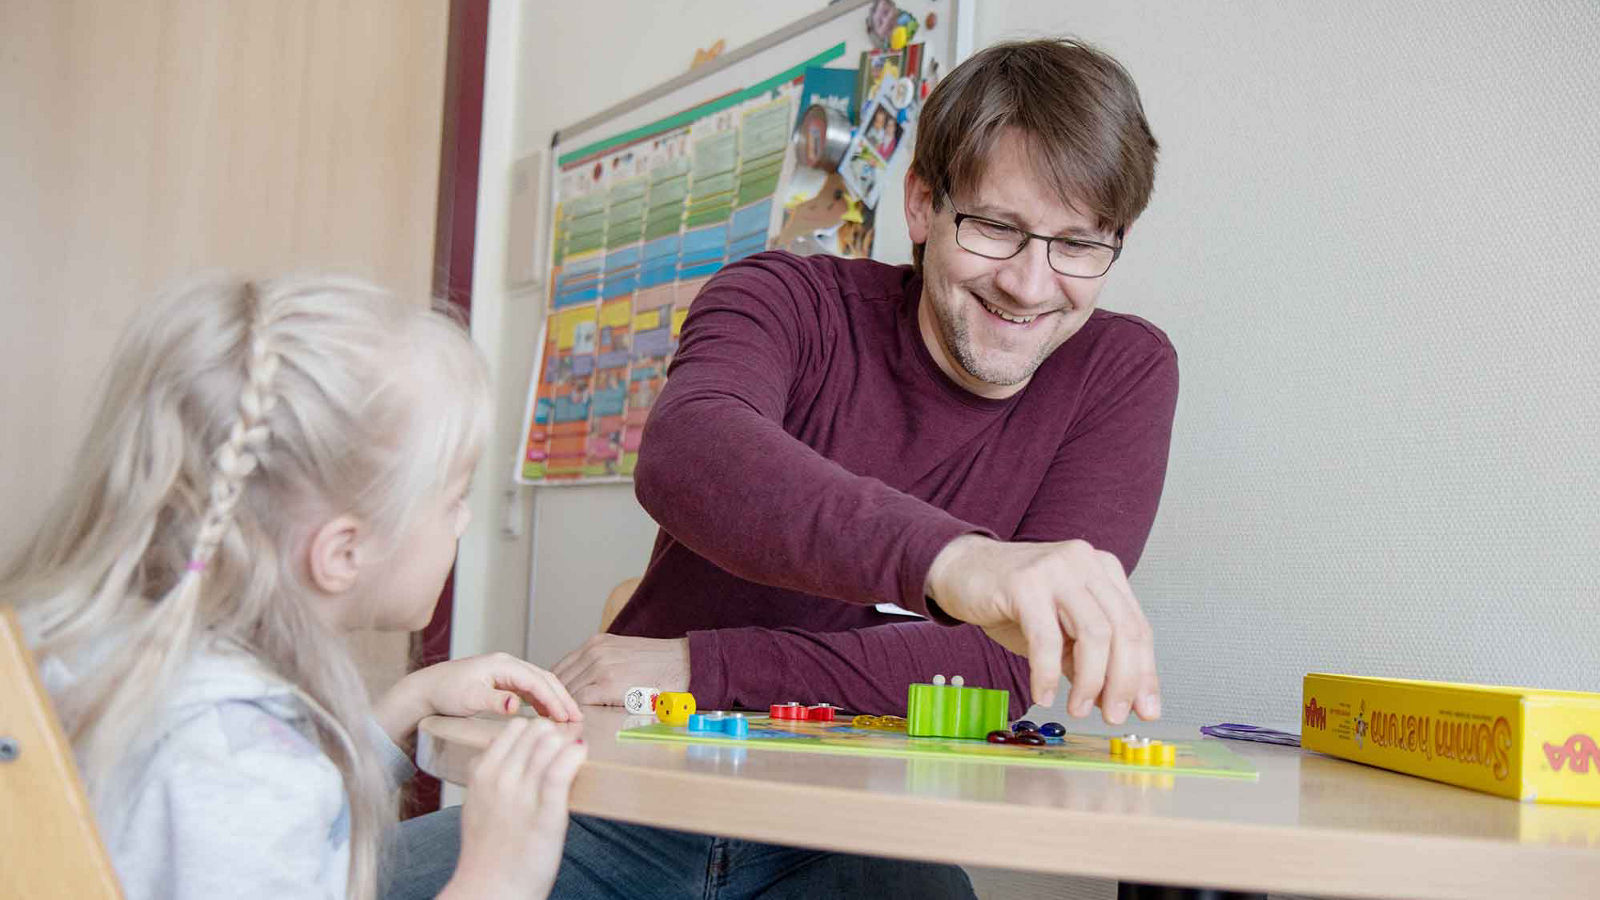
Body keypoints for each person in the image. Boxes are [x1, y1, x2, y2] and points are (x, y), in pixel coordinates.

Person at [550, 37, 1174, 898]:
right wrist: (962, 564)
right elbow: (689, 451)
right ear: (921, 204)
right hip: (633, 800)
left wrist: (706, 668)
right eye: (996, 228)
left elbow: (1005, 668)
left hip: (858, 837)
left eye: (1077, 244)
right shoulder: (781, 299)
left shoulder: (1122, 372)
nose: (1032, 285)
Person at [3, 276, 587, 900]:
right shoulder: (243, 775)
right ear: (342, 551)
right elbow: (249, 793)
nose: (465, 521)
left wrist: (411, 701)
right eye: (453, 500)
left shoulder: (140, 661)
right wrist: (496, 878)